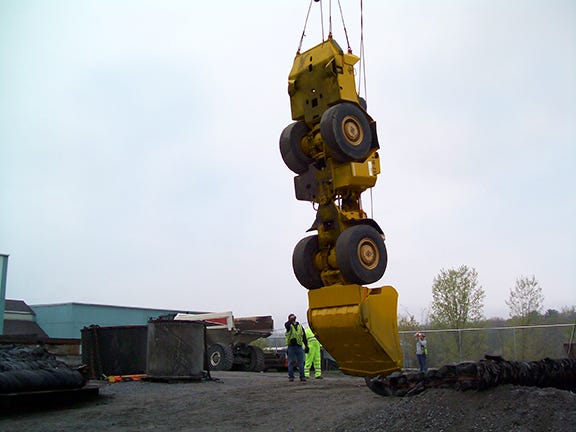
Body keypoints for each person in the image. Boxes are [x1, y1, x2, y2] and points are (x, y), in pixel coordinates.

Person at [285, 313, 308, 382]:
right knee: (291, 362)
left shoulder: (300, 327)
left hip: (299, 346)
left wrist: (306, 346)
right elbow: (286, 325)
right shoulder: (289, 326)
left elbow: (304, 337)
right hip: (291, 346)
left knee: (301, 362)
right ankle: (291, 377)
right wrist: (290, 320)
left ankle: (302, 377)